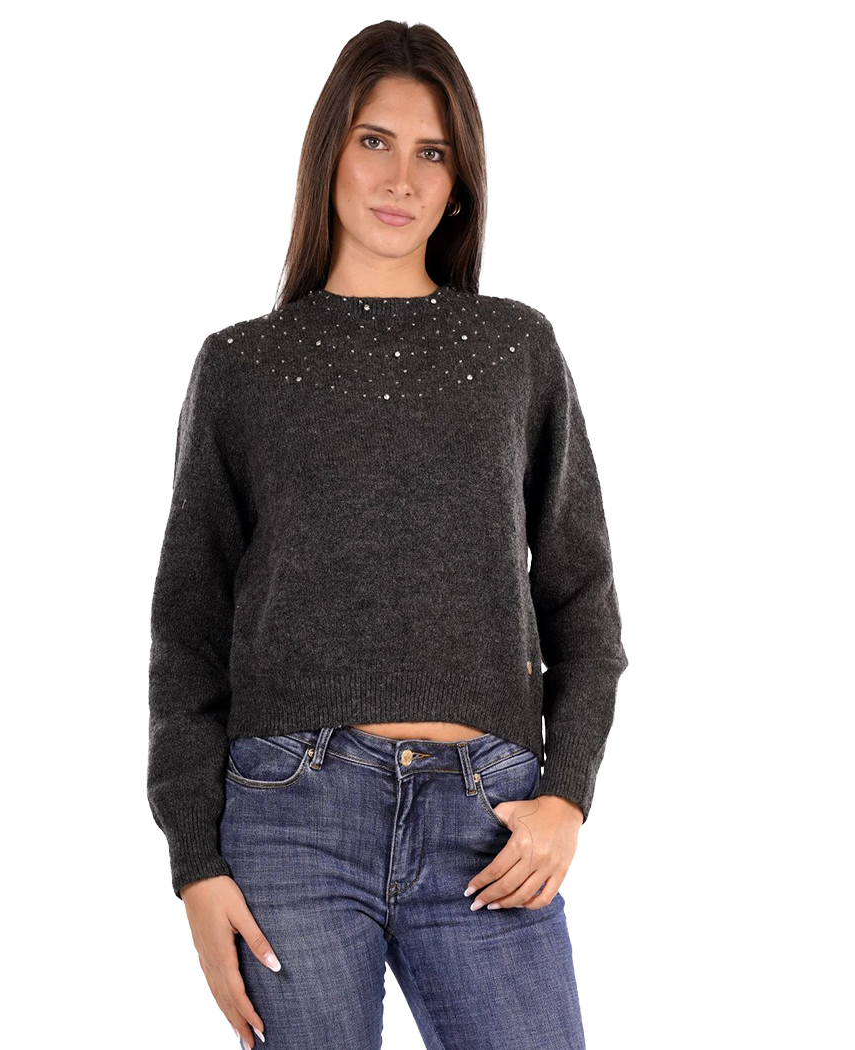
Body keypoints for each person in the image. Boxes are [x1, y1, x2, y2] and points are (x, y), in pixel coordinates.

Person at [147, 20, 628, 1050]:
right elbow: (187, 634)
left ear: (460, 184)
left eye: (432, 151)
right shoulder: (243, 367)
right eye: (374, 141)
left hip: (489, 826)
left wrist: (567, 799)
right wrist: (196, 865)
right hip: (290, 820)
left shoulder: (513, 349)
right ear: (329, 152)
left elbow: (583, 601)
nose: (400, 177)